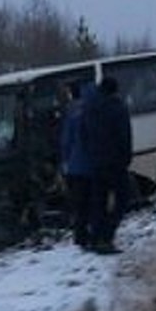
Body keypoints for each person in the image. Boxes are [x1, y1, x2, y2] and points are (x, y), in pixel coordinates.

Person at [83, 76, 133, 254]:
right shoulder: (117, 108)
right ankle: (106, 237)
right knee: (123, 199)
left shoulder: (89, 108)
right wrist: (126, 158)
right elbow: (124, 136)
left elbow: (85, 136)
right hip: (115, 162)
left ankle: (95, 238)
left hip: (96, 162)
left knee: (99, 201)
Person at [59, 81, 94, 248]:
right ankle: (93, 231)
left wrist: (65, 161)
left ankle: (80, 236)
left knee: (79, 203)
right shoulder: (91, 109)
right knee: (92, 201)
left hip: (75, 165)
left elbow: (66, 141)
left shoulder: (71, 112)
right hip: (92, 164)